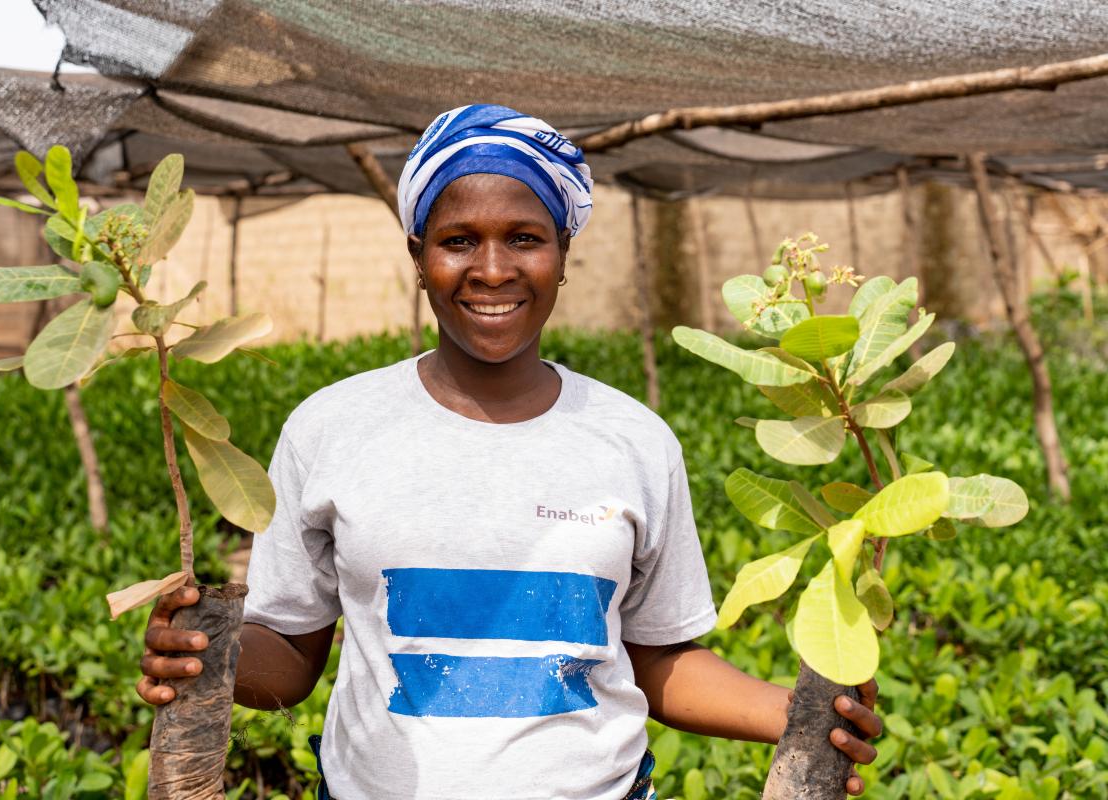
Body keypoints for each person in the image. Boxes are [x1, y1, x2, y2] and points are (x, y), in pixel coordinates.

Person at [137, 104, 881, 800]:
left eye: (524, 238)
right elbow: (293, 659)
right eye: (459, 241)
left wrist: (801, 712)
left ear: (562, 253)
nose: (492, 270)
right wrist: (207, 656)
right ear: (418, 253)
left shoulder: (633, 439)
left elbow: (657, 660)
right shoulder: (332, 427)